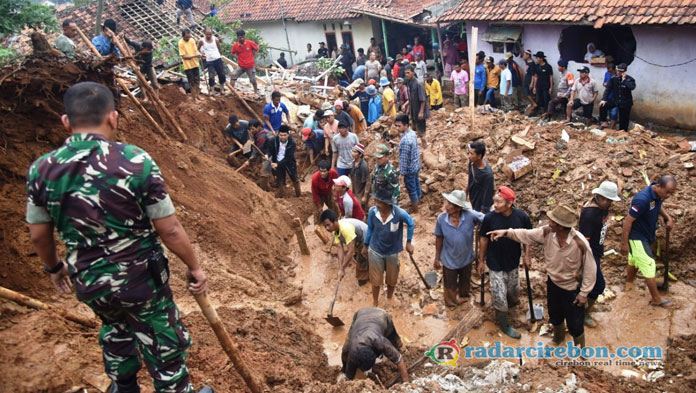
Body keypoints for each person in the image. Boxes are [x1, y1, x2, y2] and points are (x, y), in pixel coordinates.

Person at [26, 82, 211, 393]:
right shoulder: (135, 161)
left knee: (114, 327)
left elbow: (39, 235)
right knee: (161, 337)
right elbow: (170, 229)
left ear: (66, 122)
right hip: (141, 281)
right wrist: (194, 267)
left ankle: (123, 386)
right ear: (113, 118)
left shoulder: (42, 170)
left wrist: (54, 268)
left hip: (90, 281)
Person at [488, 204, 596, 348]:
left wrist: (584, 293)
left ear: (561, 226)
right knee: (555, 315)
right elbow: (527, 234)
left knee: (575, 322)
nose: (548, 223)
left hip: (572, 289)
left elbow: (590, 269)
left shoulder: (580, 243)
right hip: (553, 283)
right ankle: (558, 339)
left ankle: (580, 350)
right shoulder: (547, 232)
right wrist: (506, 232)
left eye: (552, 221)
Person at [478, 187, 532, 338]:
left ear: (509, 204)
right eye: (494, 201)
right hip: (495, 263)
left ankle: (511, 307)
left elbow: (528, 237)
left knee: (513, 292)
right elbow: (483, 239)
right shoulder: (489, 218)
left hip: (513, 262)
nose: (495, 205)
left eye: (499, 202)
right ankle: (504, 324)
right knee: (499, 295)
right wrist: (481, 260)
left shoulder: (521, 217)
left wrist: (527, 256)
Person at [622, 175, 676, 307]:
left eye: (671, 193)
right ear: (658, 186)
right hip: (637, 237)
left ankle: (629, 283)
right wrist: (624, 243)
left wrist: (668, 217)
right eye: (667, 192)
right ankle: (656, 299)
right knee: (649, 265)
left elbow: (658, 205)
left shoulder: (657, 195)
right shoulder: (642, 199)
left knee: (634, 260)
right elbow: (627, 221)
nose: (668, 195)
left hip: (646, 235)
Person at [362, 188, 415, 306]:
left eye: (379, 202)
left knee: (392, 279)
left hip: (392, 251)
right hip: (375, 249)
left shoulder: (399, 213)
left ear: (388, 204)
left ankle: (389, 299)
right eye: (376, 201)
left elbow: (411, 223)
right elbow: (370, 228)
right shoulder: (372, 212)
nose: (376, 204)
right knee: (375, 281)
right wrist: (366, 245)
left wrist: (409, 241)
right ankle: (375, 302)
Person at [578, 181, 621, 327]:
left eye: (609, 200)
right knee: (598, 286)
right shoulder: (590, 214)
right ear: (597, 195)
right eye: (603, 198)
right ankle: (582, 315)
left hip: (596, 251)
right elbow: (583, 241)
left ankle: (582, 308)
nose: (606, 202)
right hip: (589, 254)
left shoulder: (602, 208)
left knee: (587, 284)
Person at [434, 190, 485, 308]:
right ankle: (451, 304)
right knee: (449, 284)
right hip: (449, 259)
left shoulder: (470, 215)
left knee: (465, 280)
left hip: (466, 257)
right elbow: (439, 238)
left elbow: (487, 219)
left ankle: (463, 297)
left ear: (458, 208)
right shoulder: (442, 219)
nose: (446, 206)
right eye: (447, 203)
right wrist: (437, 257)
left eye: (450, 204)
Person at [339, 307, 408, 382]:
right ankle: (343, 369)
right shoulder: (352, 352)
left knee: (393, 338)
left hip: (380, 316)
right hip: (360, 314)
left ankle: (401, 346)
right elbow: (349, 376)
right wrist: (346, 379)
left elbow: (399, 360)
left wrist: (406, 381)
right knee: (345, 350)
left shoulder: (379, 341)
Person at [321, 209, 369, 285]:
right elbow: (340, 249)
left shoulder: (345, 229)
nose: (327, 228)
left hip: (367, 239)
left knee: (362, 260)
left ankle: (364, 280)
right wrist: (340, 268)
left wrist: (343, 268)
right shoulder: (334, 231)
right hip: (358, 239)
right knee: (359, 257)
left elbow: (351, 251)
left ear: (335, 221)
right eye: (325, 226)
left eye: (328, 225)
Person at [395, 114, 421, 213]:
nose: (397, 128)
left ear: (406, 125)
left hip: (409, 169)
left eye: (399, 126)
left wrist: (402, 173)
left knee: (411, 190)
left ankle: (416, 211)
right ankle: (419, 202)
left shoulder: (405, 141)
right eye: (396, 126)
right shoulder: (412, 133)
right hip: (415, 165)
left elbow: (404, 159)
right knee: (416, 184)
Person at [600, 63, 636, 131]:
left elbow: (632, 87)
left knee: (624, 120)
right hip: (616, 100)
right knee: (603, 105)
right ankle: (604, 122)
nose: (619, 72)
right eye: (618, 71)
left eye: (621, 71)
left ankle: (623, 132)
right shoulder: (613, 78)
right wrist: (604, 99)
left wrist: (624, 80)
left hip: (625, 102)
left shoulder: (630, 79)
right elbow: (608, 89)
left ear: (624, 72)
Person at [269, 125, 301, 197]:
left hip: (289, 162)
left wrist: (278, 164)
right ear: (278, 134)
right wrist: (267, 155)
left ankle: (298, 195)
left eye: (284, 135)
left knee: (294, 178)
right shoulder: (273, 140)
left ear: (288, 134)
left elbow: (288, 157)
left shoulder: (292, 143)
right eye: (281, 135)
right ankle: (282, 195)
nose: (283, 137)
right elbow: (269, 150)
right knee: (280, 179)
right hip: (277, 161)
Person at [404, 66, 429, 147]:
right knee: (413, 127)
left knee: (421, 130)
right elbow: (410, 98)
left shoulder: (418, 83)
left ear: (413, 73)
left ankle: (425, 146)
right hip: (413, 110)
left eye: (408, 73)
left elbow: (423, 99)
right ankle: (415, 145)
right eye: (406, 73)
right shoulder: (409, 83)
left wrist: (421, 112)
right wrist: (408, 108)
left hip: (419, 110)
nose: (407, 75)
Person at [467, 141, 495, 213]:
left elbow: (487, 195)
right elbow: (470, 179)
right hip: (473, 200)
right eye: (469, 153)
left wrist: (482, 213)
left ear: (479, 156)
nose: (469, 156)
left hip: (482, 207)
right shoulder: (472, 163)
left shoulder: (487, 175)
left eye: (472, 154)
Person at [198, 27, 226, 94]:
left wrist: (220, 55)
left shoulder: (215, 39)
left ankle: (222, 89)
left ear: (212, 33)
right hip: (209, 61)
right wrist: (201, 55)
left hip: (217, 59)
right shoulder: (201, 41)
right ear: (204, 33)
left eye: (210, 34)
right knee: (211, 76)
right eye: (207, 34)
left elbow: (220, 49)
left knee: (221, 74)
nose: (209, 36)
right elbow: (197, 49)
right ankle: (212, 91)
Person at [178, 28, 202, 101]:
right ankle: (194, 97)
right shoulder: (180, 43)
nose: (188, 38)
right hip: (188, 66)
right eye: (186, 37)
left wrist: (200, 54)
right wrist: (195, 56)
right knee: (192, 82)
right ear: (183, 36)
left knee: (197, 80)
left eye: (189, 36)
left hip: (195, 63)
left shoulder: (192, 40)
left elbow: (196, 51)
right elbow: (184, 56)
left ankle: (197, 95)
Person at [601, 63, 619, 130]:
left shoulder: (617, 76)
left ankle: (611, 128)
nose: (609, 72)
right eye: (608, 71)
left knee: (614, 112)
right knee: (602, 106)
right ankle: (604, 123)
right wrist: (605, 84)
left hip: (615, 97)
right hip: (608, 95)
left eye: (611, 71)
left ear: (614, 70)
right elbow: (604, 82)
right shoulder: (607, 74)